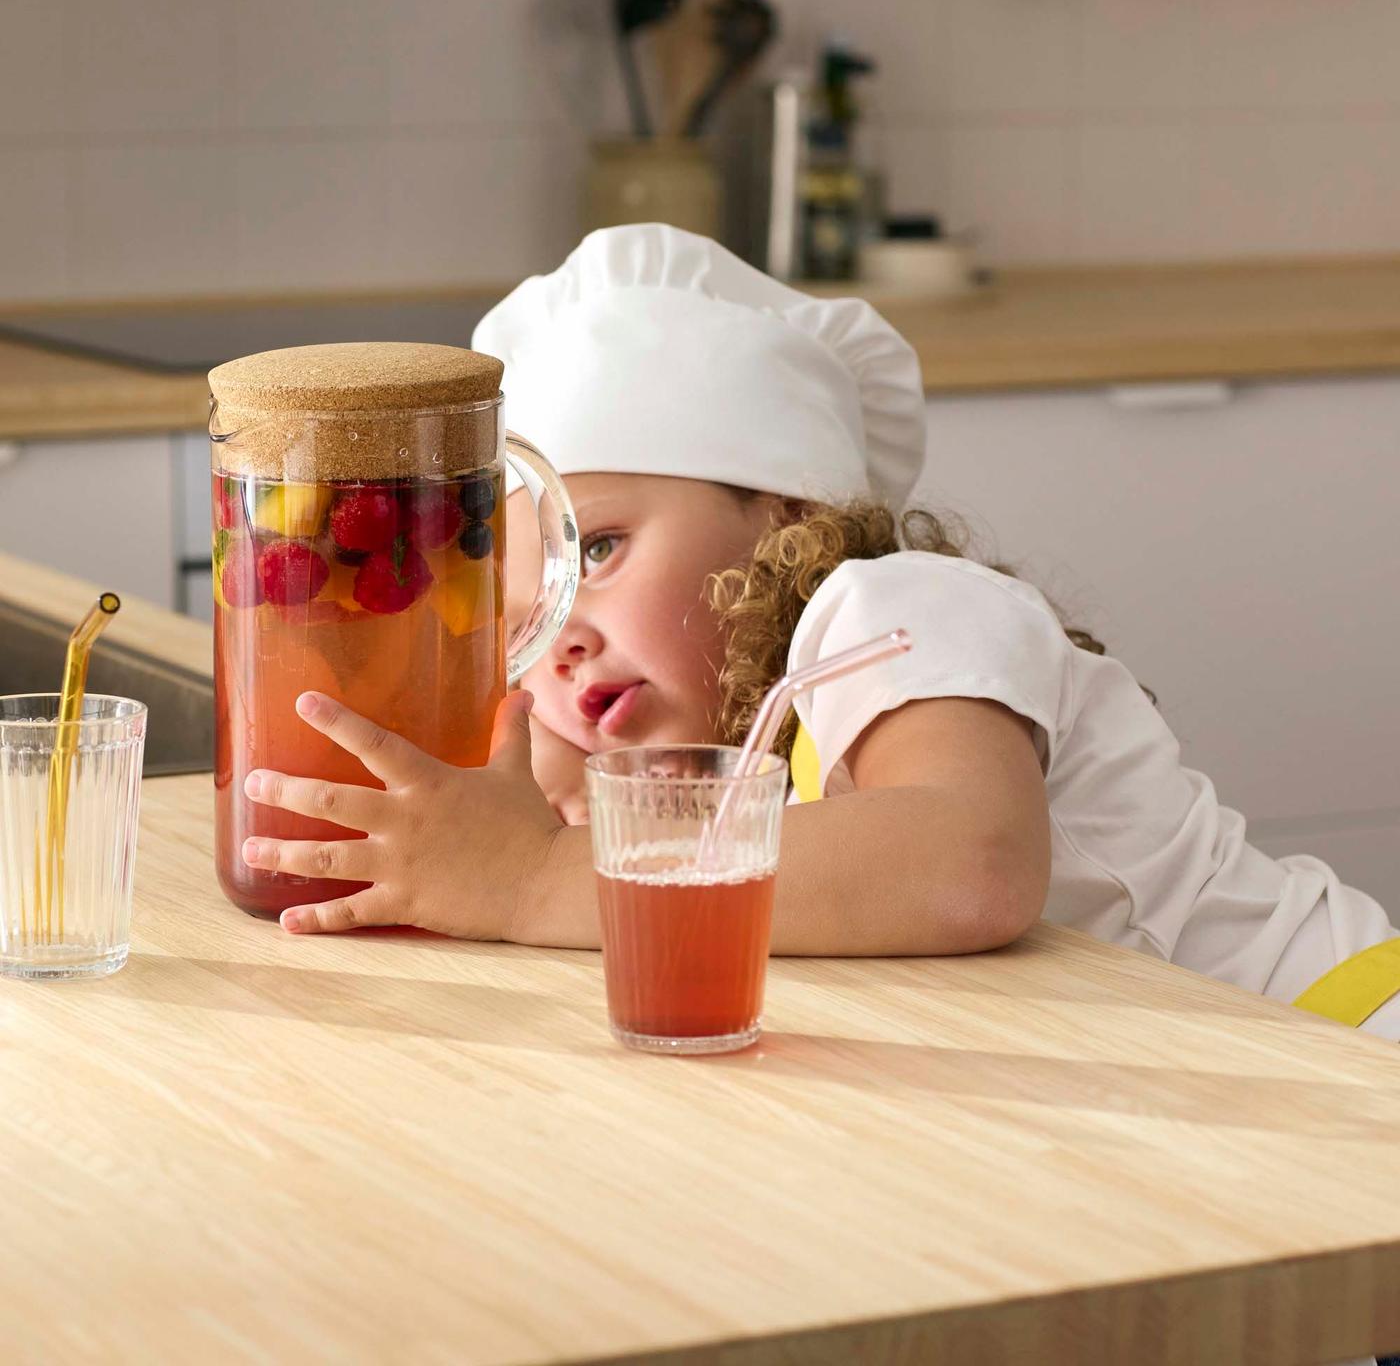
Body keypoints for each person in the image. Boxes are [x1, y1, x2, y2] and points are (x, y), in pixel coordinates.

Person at [237, 224, 1400, 1043]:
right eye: (529, 598)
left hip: (1343, 1057)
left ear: (784, 514)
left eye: (596, 551)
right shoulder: (693, 740)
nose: (564, 632)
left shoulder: (895, 607)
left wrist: (532, 879)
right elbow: (528, 825)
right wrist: (496, 809)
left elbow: (966, 866)